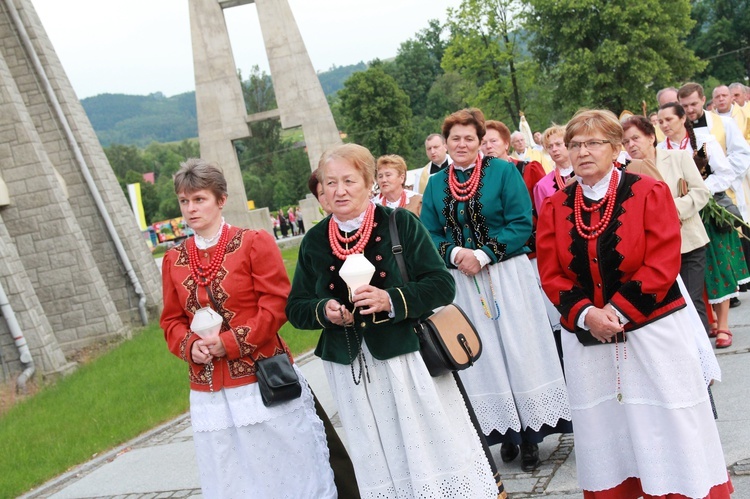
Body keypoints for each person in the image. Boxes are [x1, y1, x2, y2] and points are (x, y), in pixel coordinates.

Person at [286, 143, 502, 498]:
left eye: (349, 181)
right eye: (330, 183)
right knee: (376, 453)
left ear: (369, 182)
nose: (339, 191)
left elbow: (441, 285)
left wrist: (390, 299)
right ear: (320, 189)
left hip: (406, 361)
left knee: (429, 450)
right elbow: (296, 307)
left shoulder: (398, 222)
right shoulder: (314, 240)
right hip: (350, 369)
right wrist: (324, 310)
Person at [536, 109, 731, 499]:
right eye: (575, 145)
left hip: (654, 330)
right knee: (607, 426)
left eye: (593, 143)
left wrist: (617, 312)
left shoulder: (647, 191)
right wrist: (588, 314)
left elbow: (662, 261)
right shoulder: (555, 206)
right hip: (590, 340)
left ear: (616, 148)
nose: (582, 152)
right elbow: (551, 273)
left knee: (668, 420)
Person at [160, 159, 336, 498]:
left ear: (221, 199)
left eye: (199, 199)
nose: (191, 208)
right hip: (209, 389)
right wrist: (188, 345)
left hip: (261, 379)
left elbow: (275, 304)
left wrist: (230, 342)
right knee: (231, 476)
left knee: (287, 467)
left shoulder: (253, 242)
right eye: (184, 201)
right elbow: (170, 319)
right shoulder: (174, 259)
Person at [421, 108, 572, 473]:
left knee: (521, 349)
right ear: (446, 143)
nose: (461, 144)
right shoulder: (437, 184)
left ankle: (533, 434)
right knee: (481, 354)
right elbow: (428, 232)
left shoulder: (503, 172)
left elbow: (523, 223)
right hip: (464, 281)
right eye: (454, 138)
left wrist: (484, 253)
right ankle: (505, 432)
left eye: (468, 138)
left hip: (507, 275)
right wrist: (455, 253)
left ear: (479, 141)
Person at [657, 102, 749, 348]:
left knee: (716, 265)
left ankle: (725, 324)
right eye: (660, 121)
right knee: (698, 273)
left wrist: (701, 190)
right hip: (683, 216)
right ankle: (708, 321)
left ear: (682, 118)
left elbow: (726, 173)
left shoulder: (704, 141)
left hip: (709, 209)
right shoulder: (659, 149)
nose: (664, 125)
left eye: (669, 119)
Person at [622, 115, 712, 334]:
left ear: (651, 137)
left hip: (689, 243)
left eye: (635, 138)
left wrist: (670, 209)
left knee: (692, 300)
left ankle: (703, 357)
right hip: (655, 251)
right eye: (625, 142)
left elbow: (701, 193)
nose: (631, 145)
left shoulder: (678, 157)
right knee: (671, 305)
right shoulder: (627, 171)